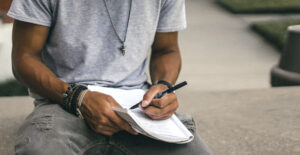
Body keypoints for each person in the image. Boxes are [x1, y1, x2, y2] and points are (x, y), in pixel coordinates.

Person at [8, 0, 211, 154]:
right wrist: (78, 98)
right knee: (40, 148)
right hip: (64, 101)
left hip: (138, 108)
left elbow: (166, 50)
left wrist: (163, 86)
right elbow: (24, 57)